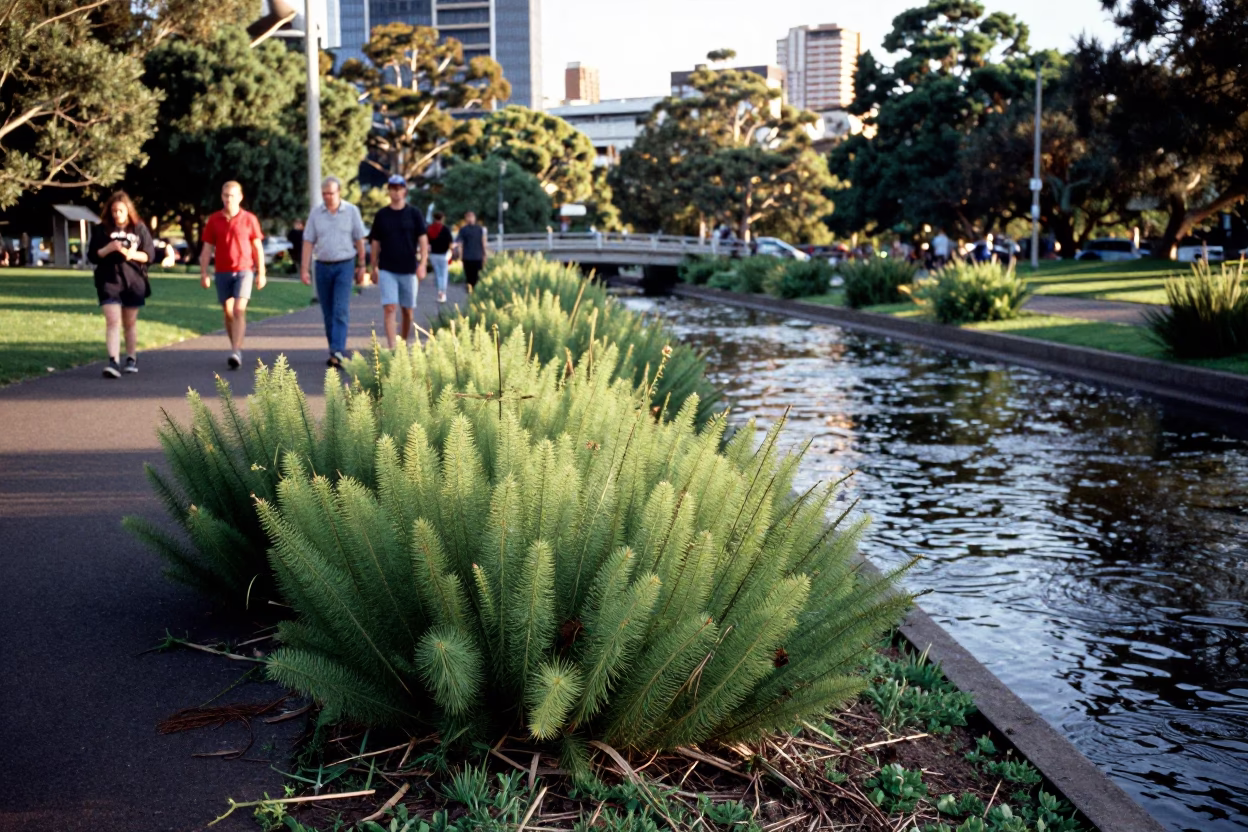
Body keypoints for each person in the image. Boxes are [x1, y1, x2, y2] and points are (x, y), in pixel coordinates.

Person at [87, 191, 155, 378]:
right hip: (109, 281)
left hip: (133, 281)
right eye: (114, 210)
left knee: (130, 322)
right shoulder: (102, 229)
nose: (117, 214)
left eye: (121, 210)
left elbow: (149, 255)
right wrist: (108, 249)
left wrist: (131, 254)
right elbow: (92, 255)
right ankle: (113, 361)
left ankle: (131, 358)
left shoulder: (139, 228)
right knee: (113, 320)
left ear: (128, 211)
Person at [301, 176, 367, 368]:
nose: (327, 197)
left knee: (340, 309)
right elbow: (308, 241)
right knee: (328, 312)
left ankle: (338, 350)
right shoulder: (316, 213)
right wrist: (304, 269)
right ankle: (334, 349)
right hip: (322, 266)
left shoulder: (351, 211)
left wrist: (362, 266)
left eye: (331, 193)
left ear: (339, 192)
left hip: (344, 265)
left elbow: (360, 239)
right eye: (324, 194)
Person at [200, 181, 266, 370]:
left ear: (240, 197)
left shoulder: (249, 219)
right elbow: (207, 248)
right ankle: (235, 346)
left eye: (232, 195)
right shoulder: (214, 220)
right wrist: (204, 272)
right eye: (226, 195)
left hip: (244, 269)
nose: (229, 199)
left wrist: (261, 272)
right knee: (228, 312)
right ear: (221, 197)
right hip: (222, 271)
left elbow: (257, 247)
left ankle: (236, 351)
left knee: (238, 309)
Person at [369, 174, 428, 349]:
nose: (396, 192)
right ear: (388, 191)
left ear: (405, 190)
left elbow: (423, 240)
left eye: (399, 188)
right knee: (390, 307)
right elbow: (375, 243)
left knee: (408, 310)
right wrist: (373, 267)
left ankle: (403, 340)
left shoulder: (414, 213)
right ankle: (393, 346)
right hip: (387, 268)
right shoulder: (382, 215)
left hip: (409, 269)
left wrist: (423, 264)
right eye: (392, 188)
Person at [454, 211, 488, 291]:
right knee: (476, 276)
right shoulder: (480, 229)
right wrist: (484, 254)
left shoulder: (463, 230)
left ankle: (470, 290)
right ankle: (475, 291)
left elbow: (459, 244)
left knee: (469, 276)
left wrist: (460, 256)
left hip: (468, 257)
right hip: (477, 256)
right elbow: (483, 242)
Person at [426, 210, 455, 303]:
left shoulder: (429, 228)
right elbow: (450, 242)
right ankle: (443, 293)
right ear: (442, 218)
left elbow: (427, 242)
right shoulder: (445, 229)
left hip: (433, 254)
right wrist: (451, 252)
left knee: (438, 274)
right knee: (444, 274)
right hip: (443, 255)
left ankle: (439, 292)